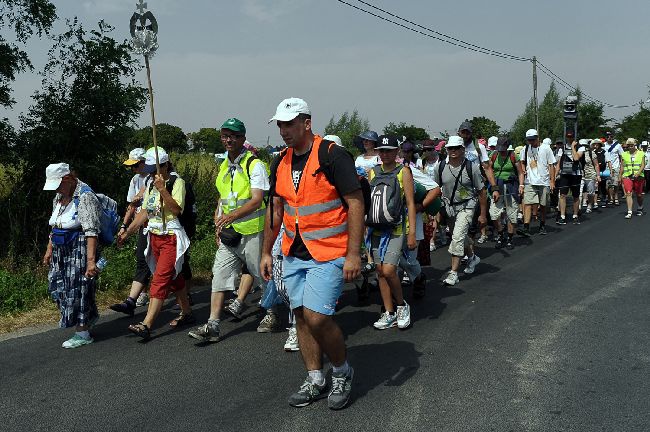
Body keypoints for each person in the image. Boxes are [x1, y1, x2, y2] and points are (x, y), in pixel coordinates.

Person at [261, 97, 363, 410]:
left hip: (330, 251)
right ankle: (315, 378)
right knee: (301, 318)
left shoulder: (332, 155)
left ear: (306, 122)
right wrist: (267, 252)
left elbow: (355, 202)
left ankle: (342, 372)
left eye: (289, 123)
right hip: (293, 251)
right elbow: (276, 209)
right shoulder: (280, 161)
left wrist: (354, 254)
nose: (283, 130)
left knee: (318, 318)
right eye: (280, 124)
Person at [188, 118, 271, 342]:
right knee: (220, 276)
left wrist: (230, 217)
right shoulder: (224, 165)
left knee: (261, 275)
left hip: (252, 230)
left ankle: (271, 312)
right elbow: (223, 199)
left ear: (243, 138)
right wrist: (219, 221)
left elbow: (257, 200)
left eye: (234, 135)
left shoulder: (255, 165)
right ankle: (213, 325)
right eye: (225, 135)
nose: (228, 139)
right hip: (229, 234)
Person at [117, 147, 194, 340]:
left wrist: (162, 189)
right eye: (150, 170)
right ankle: (187, 311)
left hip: (171, 237)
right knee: (174, 278)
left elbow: (177, 209)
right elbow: (145, 212)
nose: (152, 174)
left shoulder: (177, 182)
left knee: (159, 280)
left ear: (166, 165)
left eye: (155, 169)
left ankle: (146, 325)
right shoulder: (151, 184)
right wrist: (128, 231)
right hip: (155, 236)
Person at [43, 163, 102, 348]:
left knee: (78, 289)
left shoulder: (85, 196)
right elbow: (55, 225)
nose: (56, 189)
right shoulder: (59, 196)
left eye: (58, 184)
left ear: (67, 179)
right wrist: (49, 249)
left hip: (79, 249)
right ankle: (88, 317)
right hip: (61, 250)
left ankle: (82, 332)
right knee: (57, 286)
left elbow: (92, 231)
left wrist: (91, 262)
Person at [365, 135, 416, 330]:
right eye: (382, 150)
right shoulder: (373, 172)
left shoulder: (404, 172)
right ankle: (389, 312)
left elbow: (410, 203)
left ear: (397, 152)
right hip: (376, 228)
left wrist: (411, 233)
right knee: (380, 272)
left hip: (395, 229)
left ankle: (402, 305)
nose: (385, 154)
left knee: (388, 270)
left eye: (389, 150)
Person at [434, 136, 487, 286]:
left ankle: (453, 273)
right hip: (450, 207)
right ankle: (472, 258)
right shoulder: (441, 167)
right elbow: (436, 188)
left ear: (463, 149)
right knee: (461, 235)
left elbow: (482, 191)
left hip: (467, 205)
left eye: (457, 148)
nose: (454, 151)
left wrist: (483, 214)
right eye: (451, 148)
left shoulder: (472, 168)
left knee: (456, 236)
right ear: (447, 150)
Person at [110, 148, 153, 315]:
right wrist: (124, 226)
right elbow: (132, 205)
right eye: (131, 167)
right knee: (142, 260)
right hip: (141, 224)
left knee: (165, 264)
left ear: (144, 162)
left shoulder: (155, 178)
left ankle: (183, 296)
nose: (133, 169)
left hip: (157, 226)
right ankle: (133, 300)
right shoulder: (135, 180)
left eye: (135, 165)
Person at [489, 137, 524, 249]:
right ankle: (500, 234)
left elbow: (520, 172)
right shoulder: (494, 155)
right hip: (497, 186)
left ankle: (509, 238)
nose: (501, 151)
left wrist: (521, 185)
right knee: (494, 214)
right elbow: (488, 170)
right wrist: (493, 187)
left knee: (512, 213)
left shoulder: (514, 156)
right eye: (499, 149)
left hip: (511, 186)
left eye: (503, 149)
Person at [519, 129, 556, 235]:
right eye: (529, 140)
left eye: (533, 139)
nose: (531, 142)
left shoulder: (546, 148)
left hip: (543, 181)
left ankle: (542, 225)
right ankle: (526, 227)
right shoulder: (525, 149)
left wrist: (552, 181)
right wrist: (523, 169)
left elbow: (551, 165)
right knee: (528, 203)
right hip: (530, 180)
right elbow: (522, 161)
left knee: (543, 205)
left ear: (537, 138)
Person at [556, 136, 587, 224]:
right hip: (565, 173)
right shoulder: (562, 148)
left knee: (576, 196)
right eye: (568, 137)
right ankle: (562, 216)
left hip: (576, 174)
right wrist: (555, 175)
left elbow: (576, 158)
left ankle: (575, 215)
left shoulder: (580, 147)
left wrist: (573, 147)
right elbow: (559, 162)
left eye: (571, 137)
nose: (569, 139)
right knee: (562, 195)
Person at [620, 138, 645, 218]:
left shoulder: (641, 153)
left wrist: (638, 173)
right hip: (627, 176)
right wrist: (619, 176)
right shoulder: (624, 154)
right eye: (628, 145)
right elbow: (622, 166)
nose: (630, 147)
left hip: (639, 176)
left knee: (639, 194)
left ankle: (640, 207)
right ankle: (629, 211)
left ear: (635, 145)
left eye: (632, 145)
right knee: (628, 193)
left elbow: (643, 165)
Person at [581, 139, 601, 214]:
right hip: (581, 174)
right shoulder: (577, 153)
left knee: (590, 192)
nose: (583, 147)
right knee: (579, 192)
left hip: (590, 174)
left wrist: (598, 175)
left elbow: (596, 165)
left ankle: (589, 205)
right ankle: (578, 208)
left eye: (585, 146)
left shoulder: (591, 153)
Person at [605, 132, 624, 206]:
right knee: (609, 184)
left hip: (616, 166)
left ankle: (616, 198)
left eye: (611, 136)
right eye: (608, 136)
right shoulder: (604, 145)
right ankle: (610, 198)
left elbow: (622, 156)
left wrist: (621, 165)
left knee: (616, 183)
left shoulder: (618, 146)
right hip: (607, 167)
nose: (609, 137)